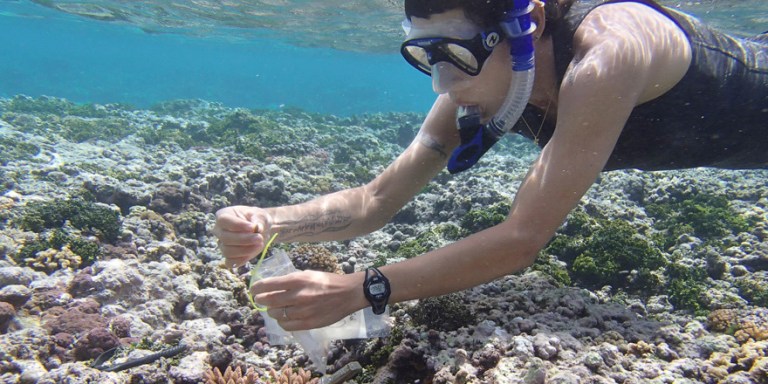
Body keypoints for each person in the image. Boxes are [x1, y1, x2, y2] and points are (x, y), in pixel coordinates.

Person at [213, 0, 767, 331]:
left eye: (455, 56)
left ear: (529, 25)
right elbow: (374, 201)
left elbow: (522, 239)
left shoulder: (607, 57)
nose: (443, 83)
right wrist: (273, 220)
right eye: (426, 57)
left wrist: (364, 288)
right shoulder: (482, 77)